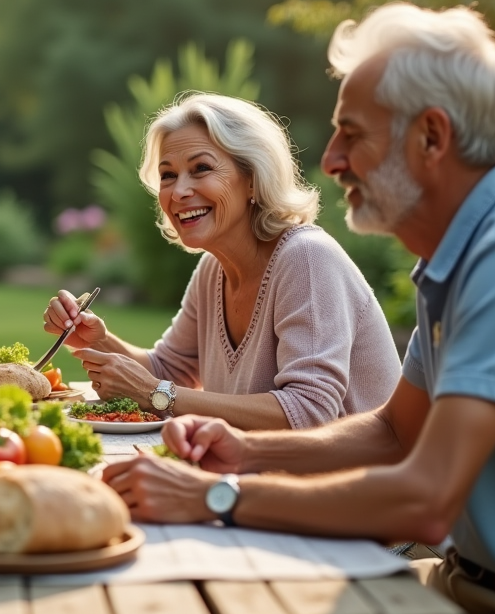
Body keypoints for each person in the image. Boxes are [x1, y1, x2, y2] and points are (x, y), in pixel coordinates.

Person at [102, 3, 495, 614]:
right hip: (470, 582)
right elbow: (394, 430)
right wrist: (248, 451)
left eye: (351, 134)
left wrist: (218, 494)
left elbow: (425, 502)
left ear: (432, 137)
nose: (330, 160)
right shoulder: (464, 258)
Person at [44, 93, 400, 430]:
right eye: (168, 175)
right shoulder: (213, 270)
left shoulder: (305, 258)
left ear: (252, 180)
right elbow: (170, 369)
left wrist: (157, 396)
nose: (179, 191)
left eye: (200, 168)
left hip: (349, 489)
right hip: (263, 477)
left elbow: (309, 411)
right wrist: (96, 339)